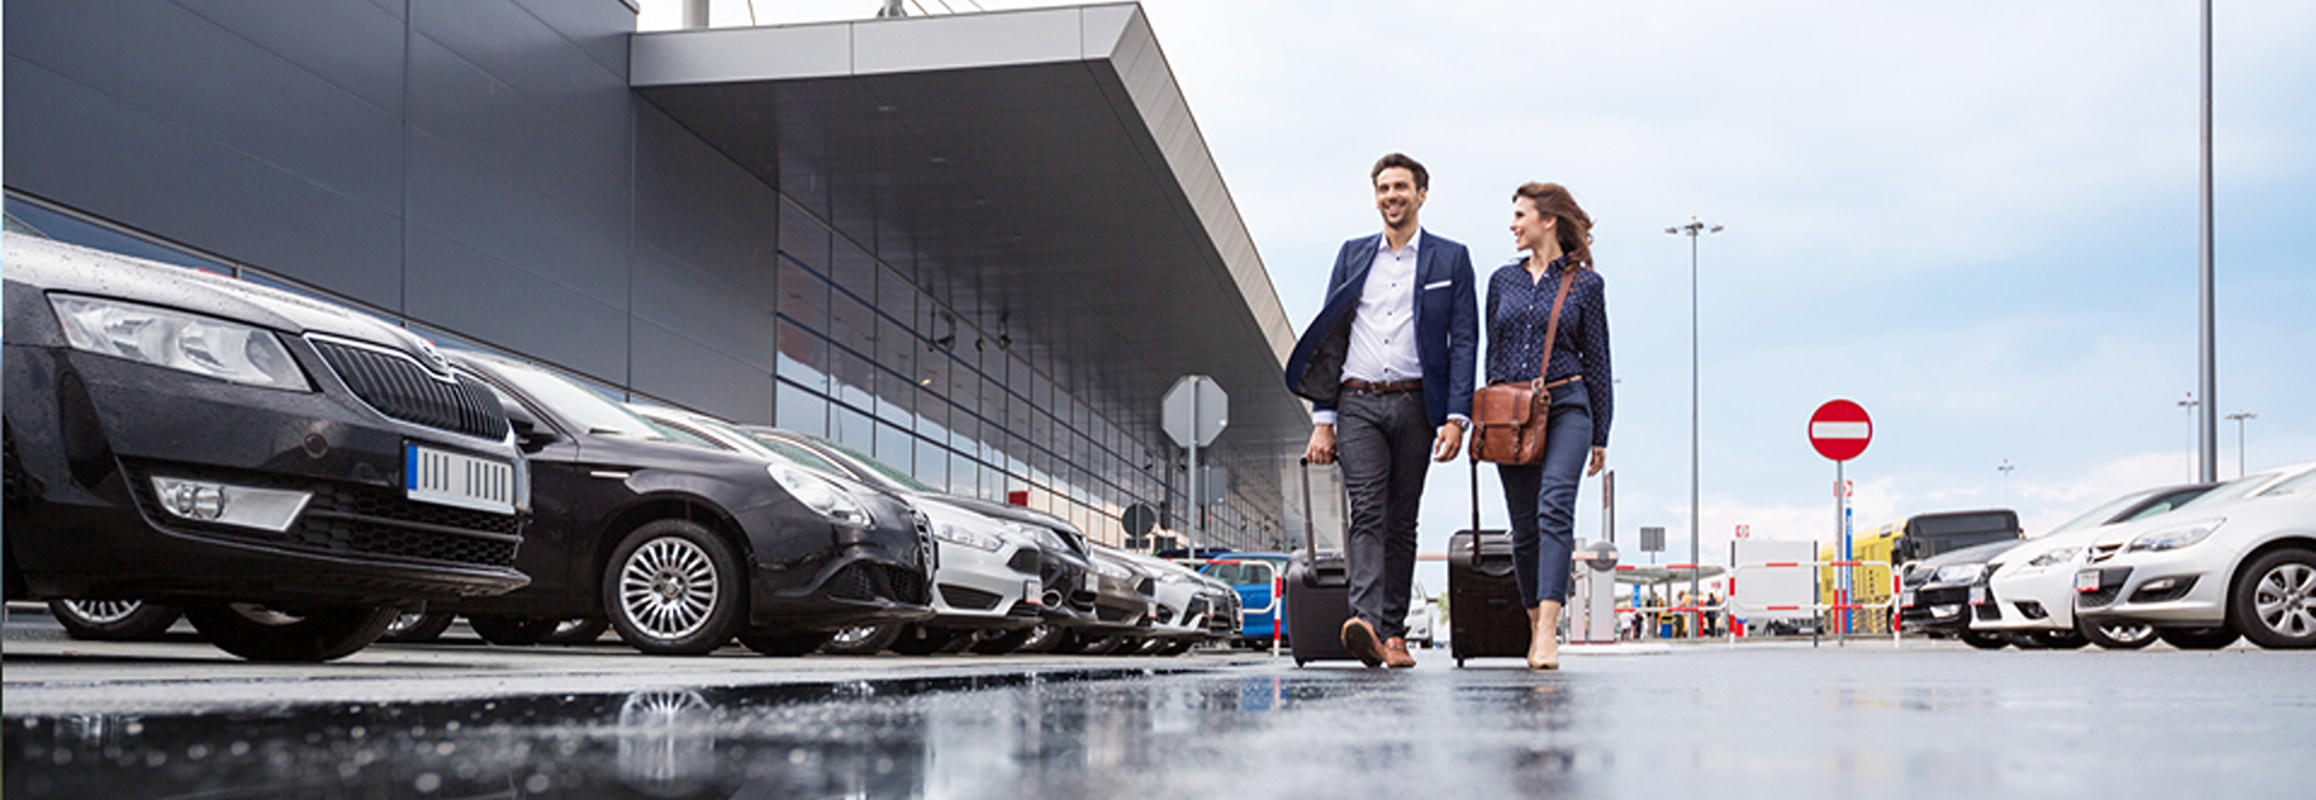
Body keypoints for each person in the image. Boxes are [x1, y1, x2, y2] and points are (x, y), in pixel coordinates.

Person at [1282, 153, 1479, 669]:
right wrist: (1323, 419)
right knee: (1367, 510)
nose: (1391, 196)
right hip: (1357, 403)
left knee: (1402, 520)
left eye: (1400, 187)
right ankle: (1366, 622)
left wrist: (1458, 417)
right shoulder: (1352, 256)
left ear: (1421, 194)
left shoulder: (1450, 259)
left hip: (1417, 404)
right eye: (1383, 188)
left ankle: (1394, 634)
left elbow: (1465, 342)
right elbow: (1330, 336)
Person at [1486, 181, 1612, 670]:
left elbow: (1598, 360)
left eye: (1520, 215)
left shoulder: (1585, 285)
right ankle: (1531, 615)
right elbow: (1492, 356)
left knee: (1554, 507)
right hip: (1512, 413)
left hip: (1567, 405)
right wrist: (1491, 417)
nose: (1513, 225)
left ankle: (1546, 631)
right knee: (1523, 529)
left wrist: (1601, 432)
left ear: (1548, 220)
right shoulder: (1501, 280)